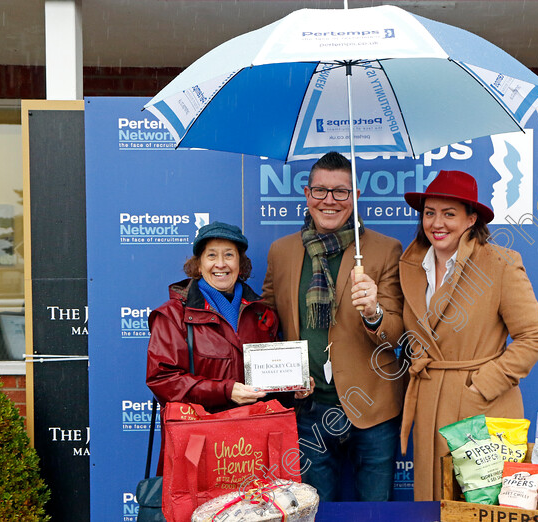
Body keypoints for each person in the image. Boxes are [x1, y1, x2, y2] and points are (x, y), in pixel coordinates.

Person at [262, 151, 404, 501]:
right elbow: (264, 322)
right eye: (320, 191)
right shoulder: (281, 251)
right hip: (308, 410)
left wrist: (373, 311)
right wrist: (279, 379)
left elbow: (399, 333)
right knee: (315, 510)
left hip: (372, 406)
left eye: (340, 192)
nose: (329, 200)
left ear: (354, 197)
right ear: (307, 195)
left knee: (376, 513)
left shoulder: (385, 250)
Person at [398, 169, 538, 501]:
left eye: (449, 214)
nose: (437, 223)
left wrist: (482, 386)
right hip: (428, 402)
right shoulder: (408, 265)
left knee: (479, 505)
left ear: (471, 219)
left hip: (480, 407)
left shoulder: (499, 264)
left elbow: (533, 336)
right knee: (431, 502)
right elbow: (399, 331)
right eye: (429, 212)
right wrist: (372, 313)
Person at [146, 221, 279, 414]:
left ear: (240, 264)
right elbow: (163, 380)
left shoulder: (261, 312)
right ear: (198, 265)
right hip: (201, 436)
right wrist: (225, 391)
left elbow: (274, 380)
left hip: (254, 433)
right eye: (211, 255)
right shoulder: (173, 315)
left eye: (229, 255)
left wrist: (295, 387)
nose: (221, 264)